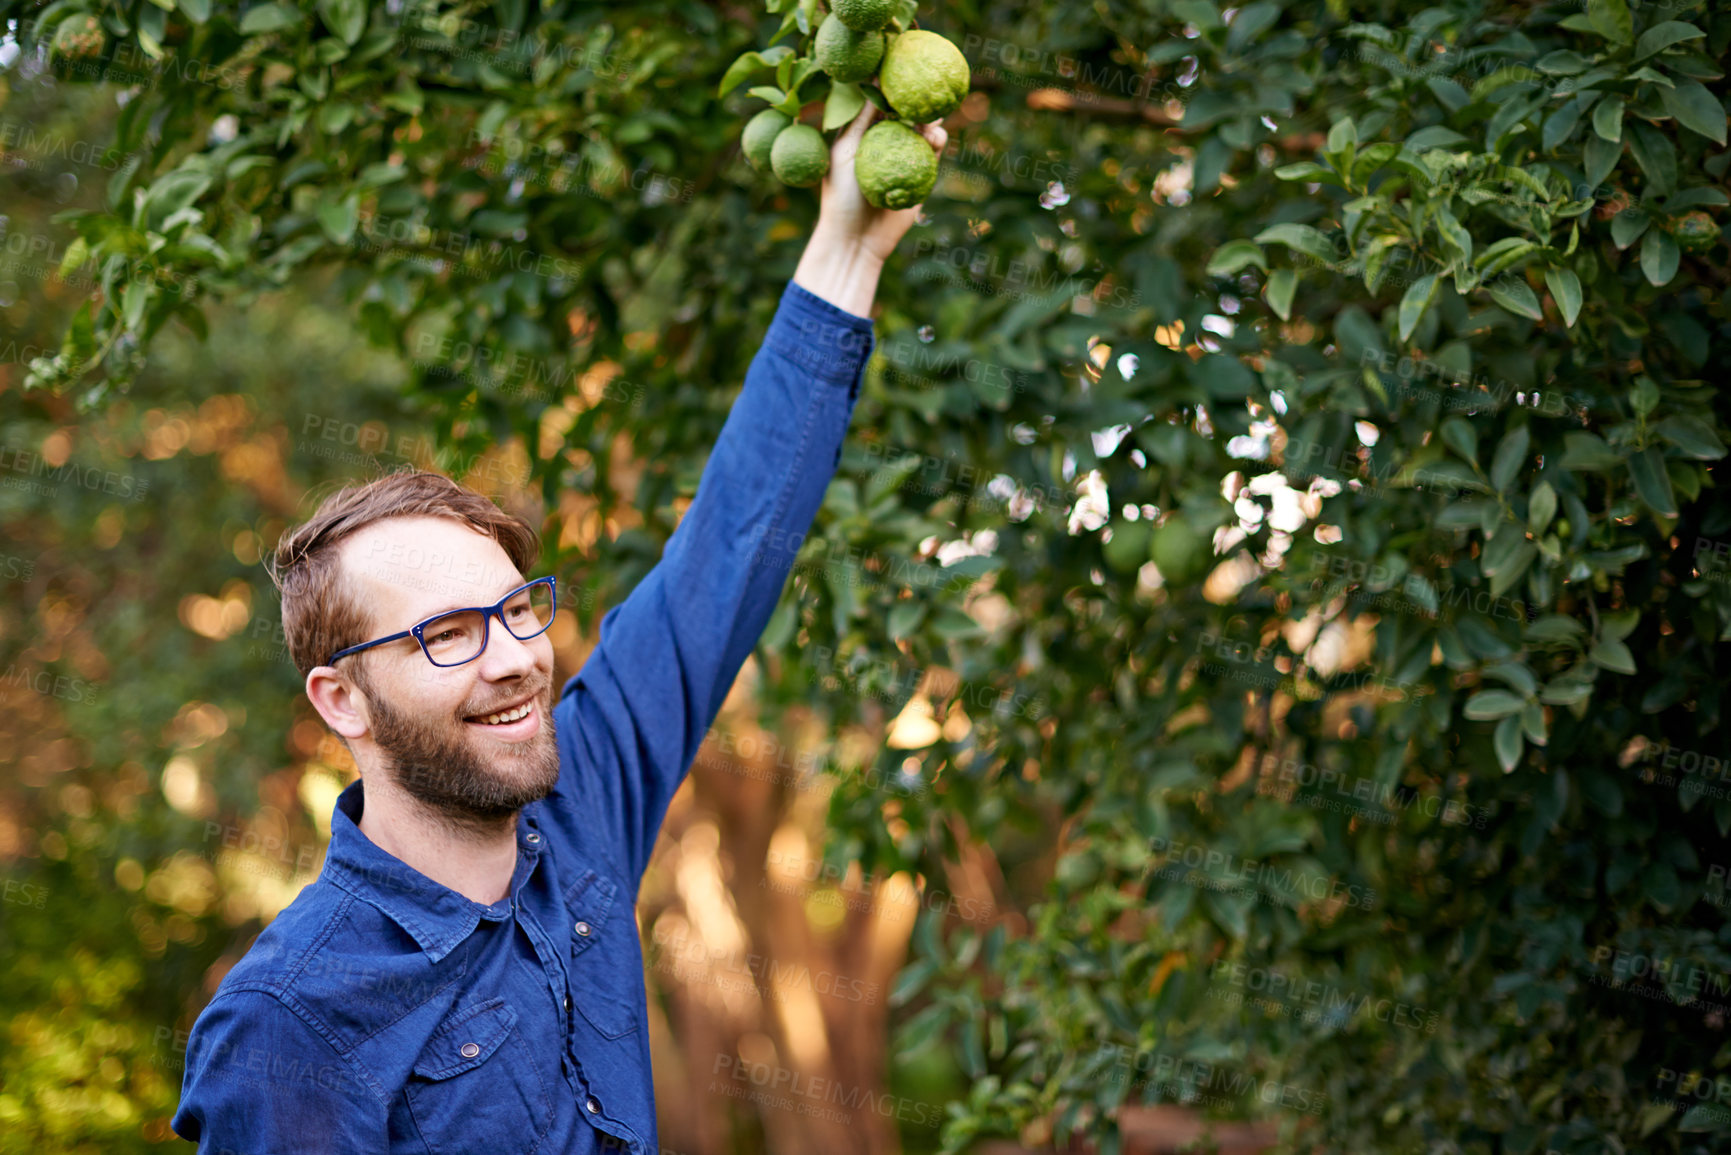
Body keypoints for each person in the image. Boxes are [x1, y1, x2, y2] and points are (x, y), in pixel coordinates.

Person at [170, 105, 947, 1154]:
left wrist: (847, 244)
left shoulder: (578, 814)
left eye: (513, 610)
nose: (514, 661)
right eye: (447, 634)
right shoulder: (290, 1025)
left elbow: (726, 556)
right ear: (339, 697)